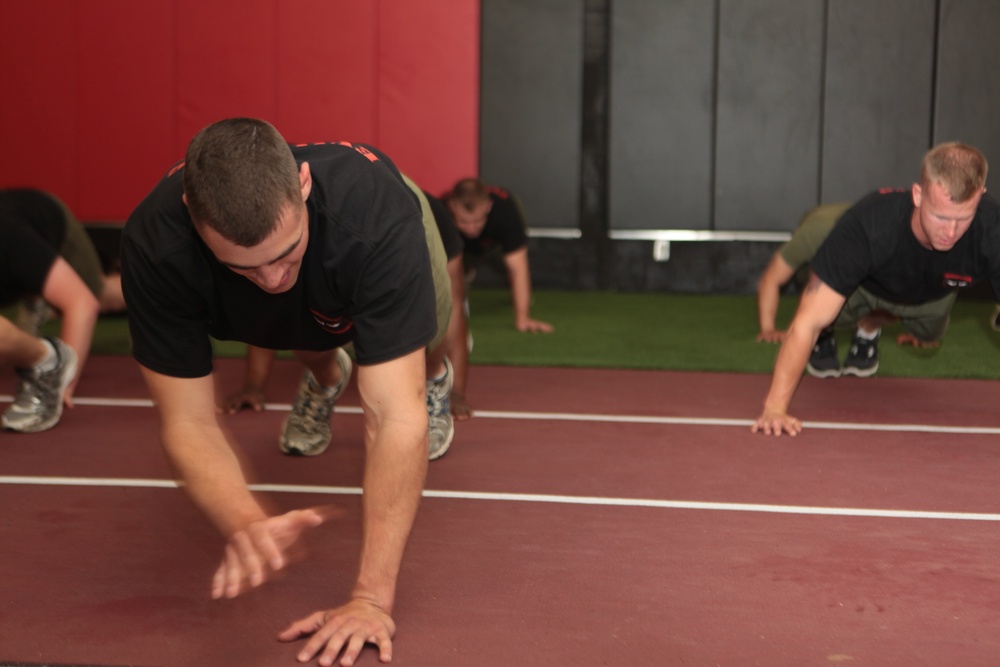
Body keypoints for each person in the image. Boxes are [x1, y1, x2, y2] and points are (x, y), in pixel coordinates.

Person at [120, 118, 455, 665]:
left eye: (285, 253)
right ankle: (326, 377)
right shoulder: (156, 245)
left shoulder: (371, 214)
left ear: (303, 184)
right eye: (246, 266)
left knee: (422, 351)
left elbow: (394, 417)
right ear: (191, 217)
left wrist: (370, 599)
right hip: (304, 278)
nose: (274, 279)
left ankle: (433, 377)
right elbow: (187, 420)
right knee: (298, 324)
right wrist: (245, 520)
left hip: (377, 228)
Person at [752, 142, 1000, 437]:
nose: (950, 232)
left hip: (935, 293)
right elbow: (807, 321)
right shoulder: (870, 222)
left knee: (930, 335)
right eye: (941, 217)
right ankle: (842, 333)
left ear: (980, 197)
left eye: (963, 219)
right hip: (865, 289)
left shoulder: (993, 230)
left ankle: (872, 324)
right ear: (918, 195)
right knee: (824, 319)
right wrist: (775, 408)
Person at [220, 178, 476, 421]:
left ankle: (434, 377)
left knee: (431, 333)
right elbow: (273, 306)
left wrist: (457, 391)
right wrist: (254, 385)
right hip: (349, 279)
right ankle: (324, 380)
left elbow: (452, 301)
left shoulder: (431, 223)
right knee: (305, 330)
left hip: (400, 286)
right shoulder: (331, 226)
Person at [0, 188, 125, 433]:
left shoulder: (11, 237)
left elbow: (82, 303)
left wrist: (61, 383)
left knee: (100, 296)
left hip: (47, 222)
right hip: (18, 262)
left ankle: (166, 287)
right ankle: (36, 298)